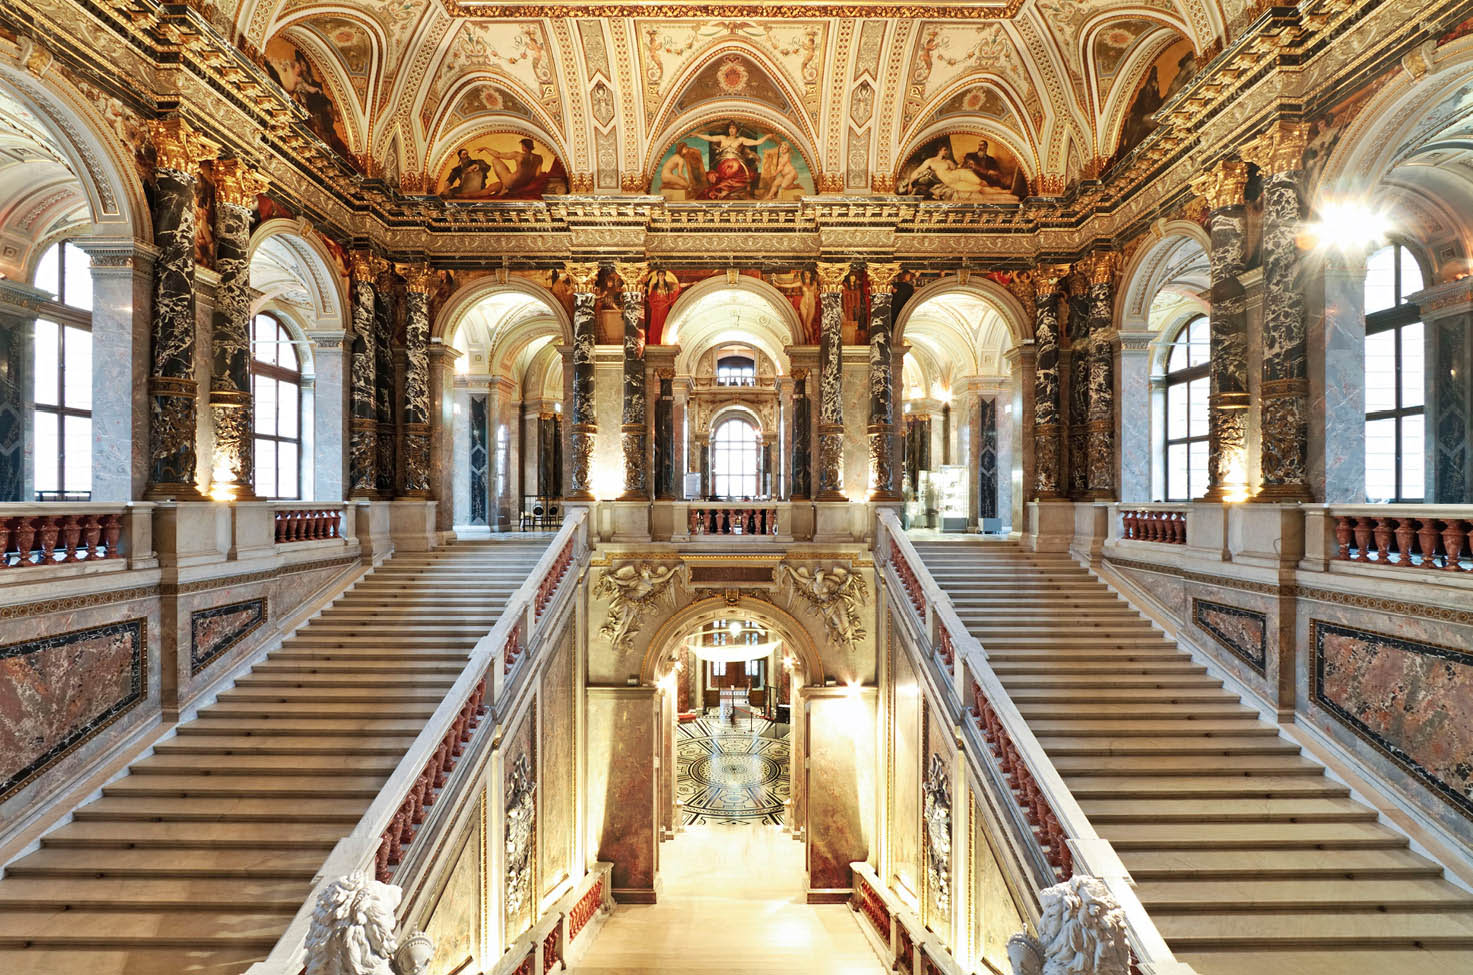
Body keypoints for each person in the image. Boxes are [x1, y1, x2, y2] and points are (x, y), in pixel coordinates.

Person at [685, 122, 774, 199]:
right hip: (723, 163)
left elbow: (757, 142)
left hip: (737, 164)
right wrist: (697, 135)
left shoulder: (741, 139)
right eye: (730, 128)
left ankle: (726, 191)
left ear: (737, 130)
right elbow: (710, 138)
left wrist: (767, 136)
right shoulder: (723, 138)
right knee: (723, 171)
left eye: (733, 128)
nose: (731, 130)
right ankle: (725, 190)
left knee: (734, 166)